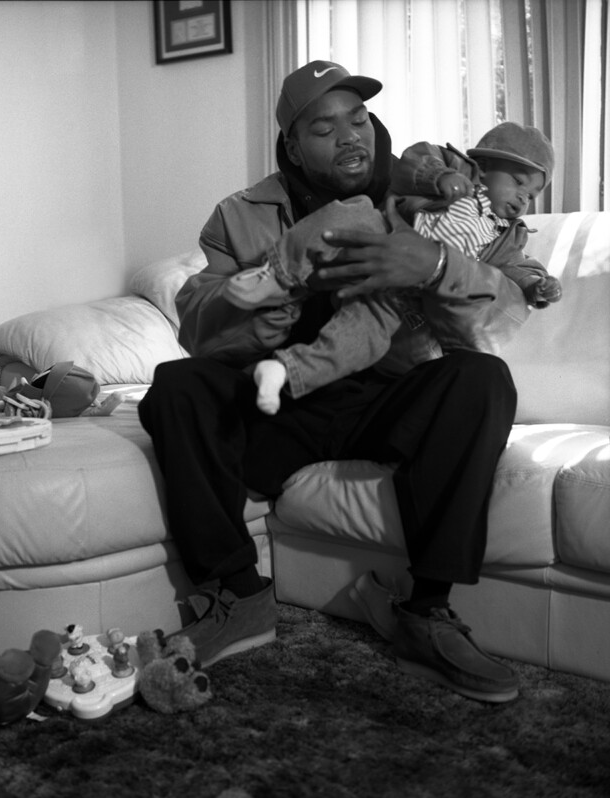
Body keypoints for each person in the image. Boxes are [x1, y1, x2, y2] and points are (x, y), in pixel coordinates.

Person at [138, 60, 530, 703]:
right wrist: (274, 299)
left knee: (481, 378)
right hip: (280, 401)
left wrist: (433, 265)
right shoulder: (238, 216)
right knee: (177, 385)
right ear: (292, 144)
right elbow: (199, 327)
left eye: (359, 119)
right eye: (324, 126)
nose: (351, 136)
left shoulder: (431, 194)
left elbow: (502, 305)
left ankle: (425, 613)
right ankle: (237, 593)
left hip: (384, 396)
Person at [226, 122, 561, 415]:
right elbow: (411, 162)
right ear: (484, 165)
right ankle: (277, 274)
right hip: (381, 237)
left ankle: (284, 371)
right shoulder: (455, 170)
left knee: (360, 340)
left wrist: (536, 284)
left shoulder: (504, 236)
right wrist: (439, 176)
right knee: (353, 213)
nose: (522, 199)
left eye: (531, 195)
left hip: (399, 303)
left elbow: (515, 268)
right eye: (518, 182)